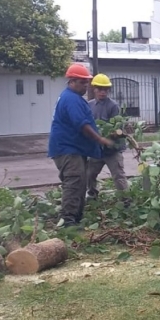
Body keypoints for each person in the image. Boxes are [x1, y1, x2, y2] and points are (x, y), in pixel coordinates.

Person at [48, 64, 114, 227]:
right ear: (72, 81)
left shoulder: (73, 98)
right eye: (83, 83)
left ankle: (75, 218)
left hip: (74, 149)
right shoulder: (70, 99)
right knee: (74, 182)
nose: (86, 86)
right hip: (67, 149)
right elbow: (82, 124)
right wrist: (99, 139)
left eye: (87, 83)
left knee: (81, 183)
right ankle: (67, 220)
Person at [86, 73, 129, 199]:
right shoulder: (89, 105)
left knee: (118, 176)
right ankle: (92, 195)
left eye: (105, 90)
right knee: (89, 174)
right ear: (94, 89)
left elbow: (117, 129)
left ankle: (126, 200)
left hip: (112, 150)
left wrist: (110, 135)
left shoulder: (113, 106)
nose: (102, 92)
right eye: (100, 89)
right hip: (97, 150)